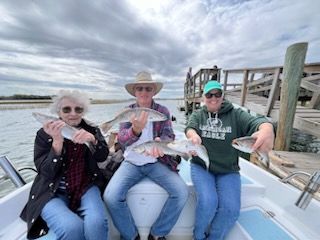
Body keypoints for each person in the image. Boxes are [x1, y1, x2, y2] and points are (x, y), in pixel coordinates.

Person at [104, 71, 189, 240]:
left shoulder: (162, 111)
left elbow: (169, 135)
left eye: (148, 88)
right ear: (135, 92)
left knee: (181, 192)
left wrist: (161, 142)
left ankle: (157, 233)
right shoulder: (128, 112)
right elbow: (121, 140)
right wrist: (135, 130)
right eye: (140, 88)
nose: (144, 92)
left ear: (153, 92)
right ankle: (131, 235)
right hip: (131, 163)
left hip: (156, 161)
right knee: (111, 197)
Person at [185, 81, 275, 240]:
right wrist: (193, 136)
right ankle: (198, 236)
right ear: (204, 97)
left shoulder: (236, 114)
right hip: (202, 167)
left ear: (222, 95)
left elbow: (257, 121)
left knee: (231, 210)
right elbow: (190, 127)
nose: (213, 98)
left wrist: (267, 129)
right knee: (208, 202)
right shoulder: (198, 114)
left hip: (228, 170)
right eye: (209, 95)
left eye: (217, 94)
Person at [20, 90, 109, 240]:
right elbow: (46, 172)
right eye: (66, 109)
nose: (73, 113)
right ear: (58, 111)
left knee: (97, 222)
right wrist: (57, 142)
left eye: (78, 109)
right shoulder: (44, 134)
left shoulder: (92, 130)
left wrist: (93, 141)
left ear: (83, 111)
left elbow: (103, 156)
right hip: (52, 191)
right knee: (71, 228)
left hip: (85, 186)